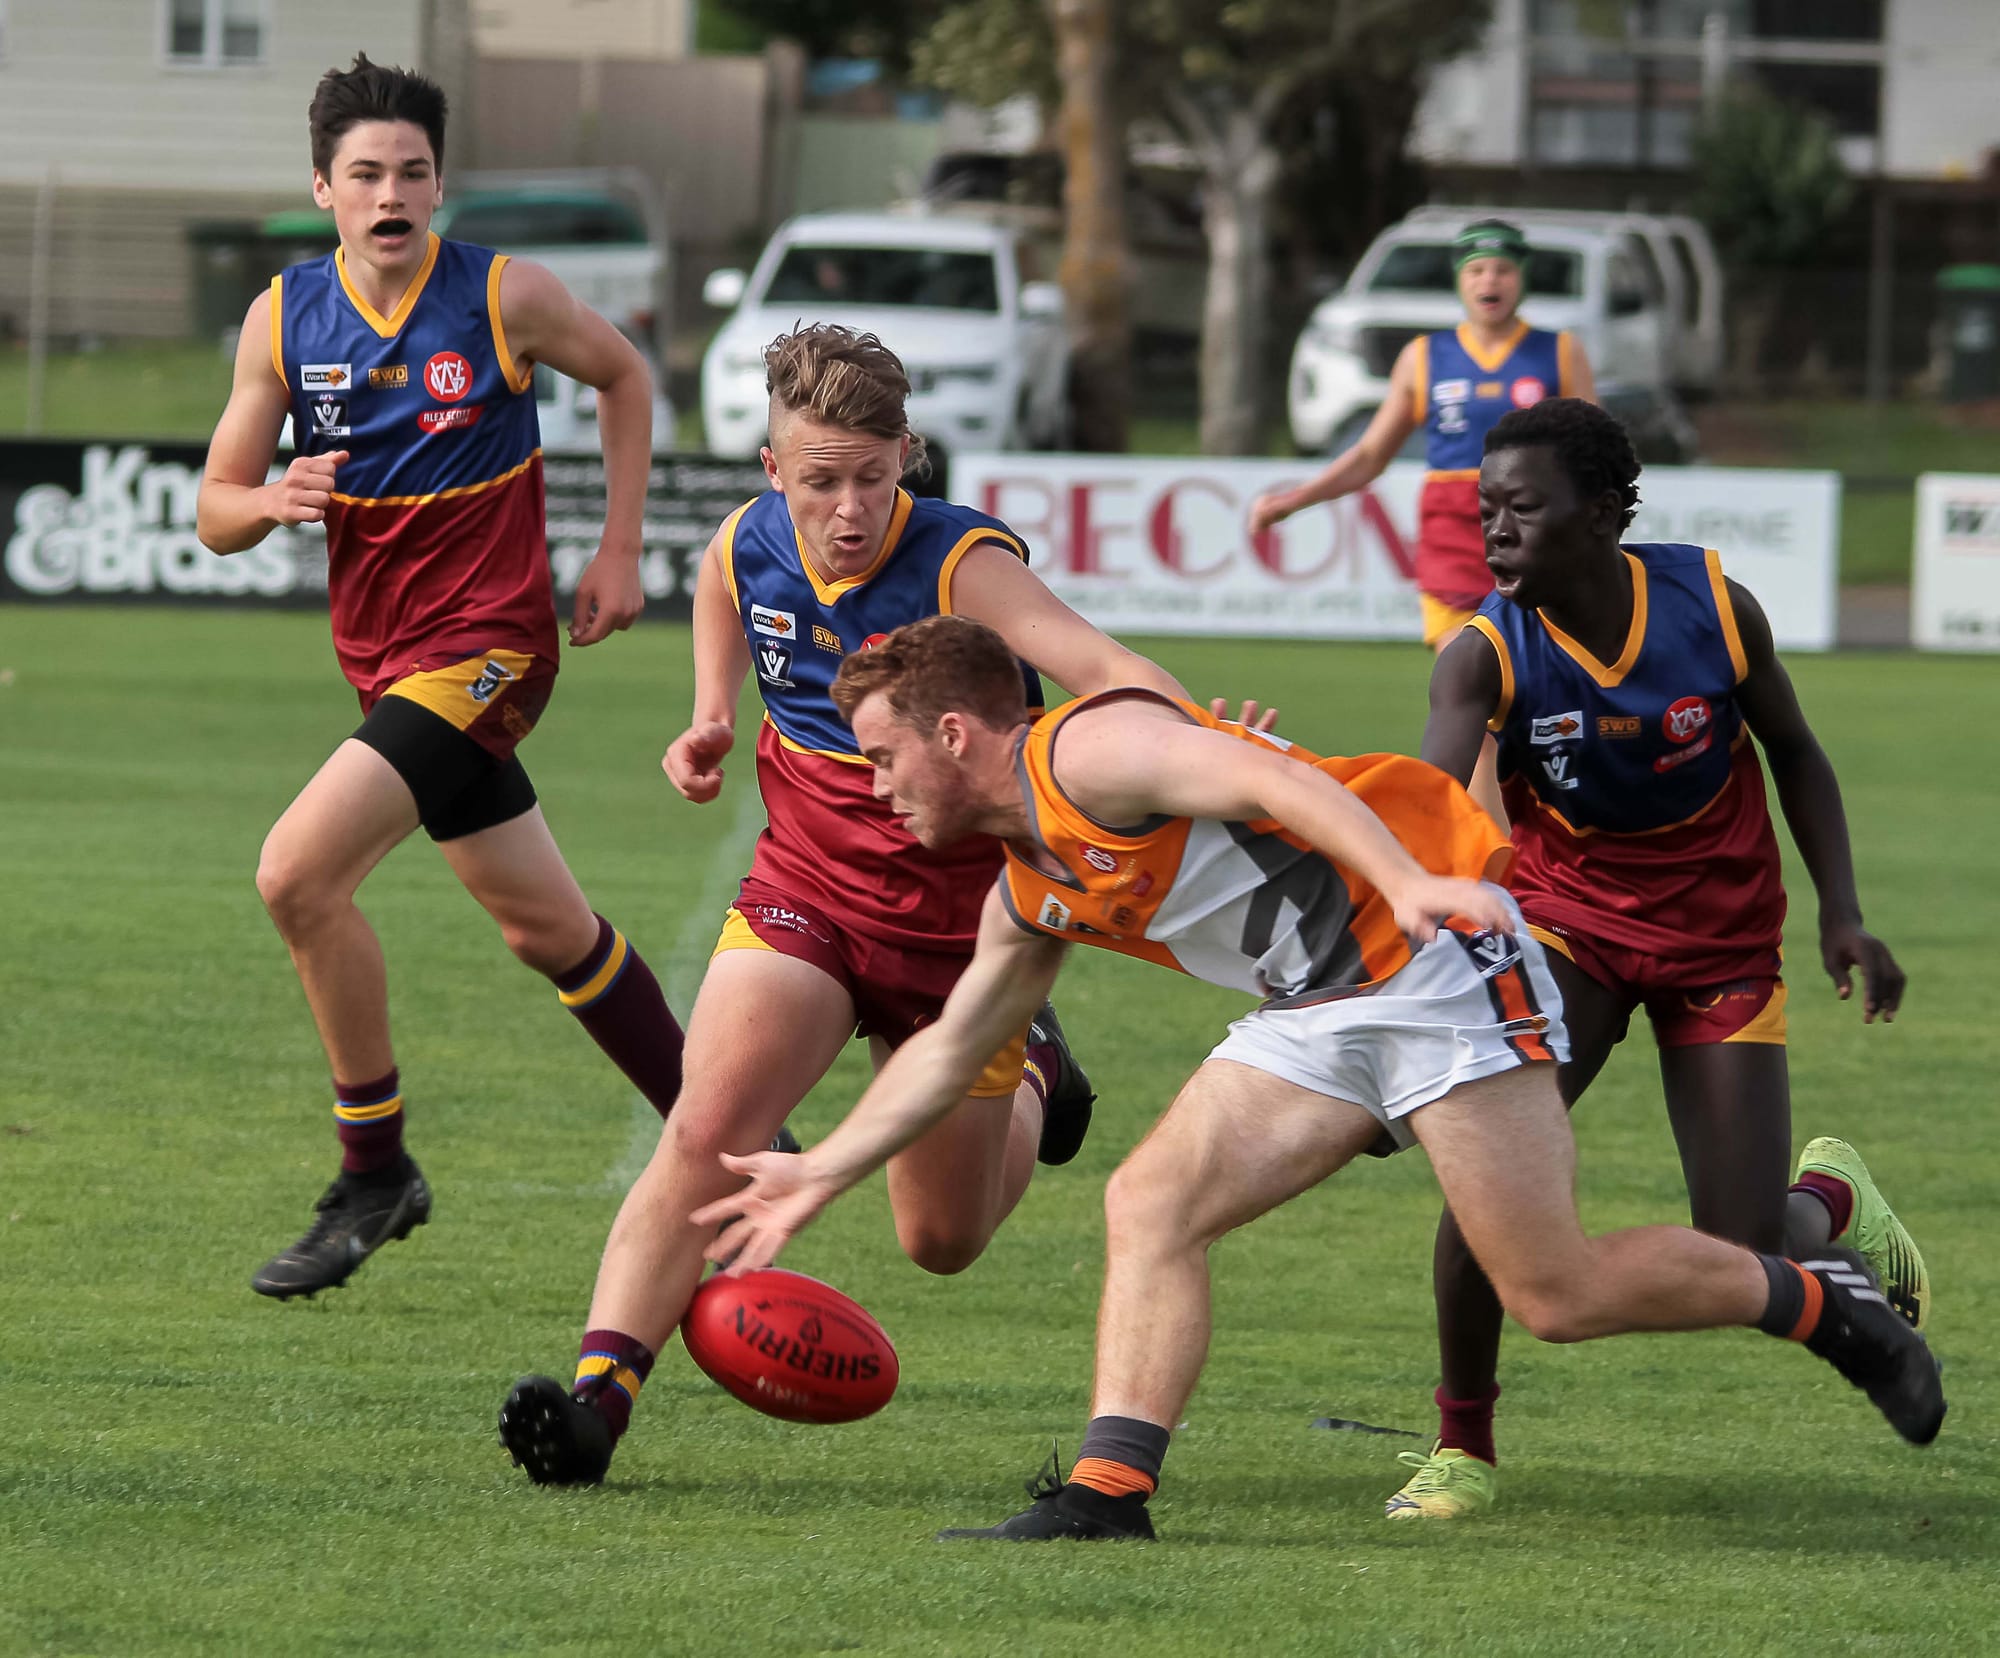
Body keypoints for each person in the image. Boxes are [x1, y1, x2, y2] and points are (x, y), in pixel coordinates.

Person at [691, 614, 1944, 1543]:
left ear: (954, 731)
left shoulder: (1091, 748)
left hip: (1435, 965)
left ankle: (1816, 1304)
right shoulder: (1026, 889)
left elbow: (1274, 778)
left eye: (879, 753)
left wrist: (1404, 880)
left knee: (1553, 1291)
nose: (873, 781)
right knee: (1148, 1202)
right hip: (1318, 1009)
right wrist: (819, 1168)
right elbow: (955, 1050)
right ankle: (1107, 1491)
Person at [496, 324, 1203, 1487]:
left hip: (965, 928)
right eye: (818, 479)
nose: (847, 506)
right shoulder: (743, 538)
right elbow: (727, 591)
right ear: (771, 468)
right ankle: (594, 1404)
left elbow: (1098, 662)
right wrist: (707, 714)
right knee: (705, 1130)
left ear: (906, 459)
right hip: (808, 889)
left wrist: (1204, 750)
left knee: (939, 1240)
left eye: (873, 476)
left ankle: (1033, 1068)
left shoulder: (959, 562)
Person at [1381, 396, 1929, 1518]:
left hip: (1721, 937)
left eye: (1521, 511)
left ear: (1602, 514)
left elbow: (1795, 752)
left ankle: (1824, 1200)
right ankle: (1461, 1445)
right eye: (1484, 511)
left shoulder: (1711, 606)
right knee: (1488, 1179)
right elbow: (1425, 806)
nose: (1494, 535)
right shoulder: (1482, 652)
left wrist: (1841, 913)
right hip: (1567, 932)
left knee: (1735, 1250)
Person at [196, 56, 687, 1299]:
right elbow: (213, 510)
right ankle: (723, 1123)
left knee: (295, 875)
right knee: (547, 928)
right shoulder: (279, 319)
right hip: (386, 664)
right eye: (365, 173)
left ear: (440, 185)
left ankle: (376, 1171)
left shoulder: (505, 296)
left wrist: (617, 547)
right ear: (324, 188)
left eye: (412, 170)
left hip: (491, 650)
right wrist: (269, 495)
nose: (391, 192)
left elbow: (626, 376)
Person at [1250, 218, 1596, 819]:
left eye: (1504, 269)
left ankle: (1551, 850)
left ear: (1522, 280)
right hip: (1454, 545)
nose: (1491, 280)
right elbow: (1368, 456)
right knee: (1475, 711)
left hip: (1540, 550)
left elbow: (1595, 451)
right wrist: (1294, 499)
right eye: (1478, 270)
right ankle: (1496, 869)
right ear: (1460, 281)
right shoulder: (1424, 357)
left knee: (1547, 715)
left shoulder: (1558, 352)